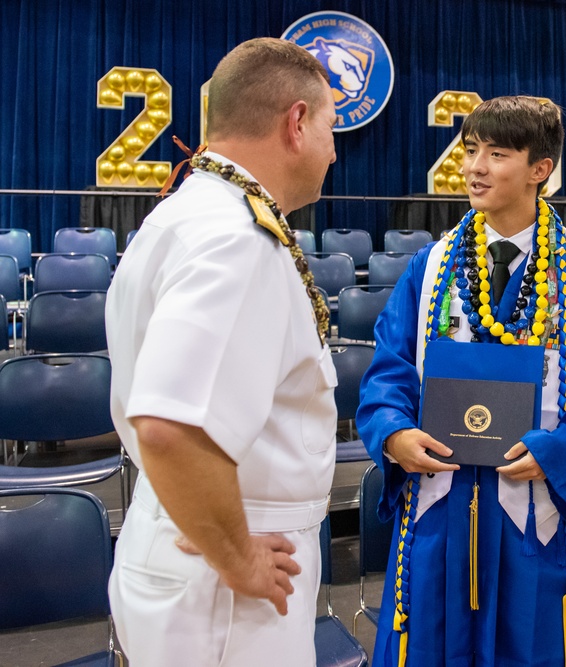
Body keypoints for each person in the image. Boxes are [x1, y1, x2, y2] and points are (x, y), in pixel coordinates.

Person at [356, 96, 566, 666]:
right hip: (440, 504)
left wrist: (558, 451)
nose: (475, 167)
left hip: (533, 506)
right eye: (471, 151)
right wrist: (393, 434)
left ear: (541, 169)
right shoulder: (430, 267)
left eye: (497, 153)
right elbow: (387, 371)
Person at [105, 37, 338, 666]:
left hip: (198, 540)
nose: (333, 150)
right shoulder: (237, 237)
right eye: (329, 127)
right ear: (296, 122)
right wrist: (237, 559)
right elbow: (169, 425)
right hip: (225, 576)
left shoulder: (195, 211)